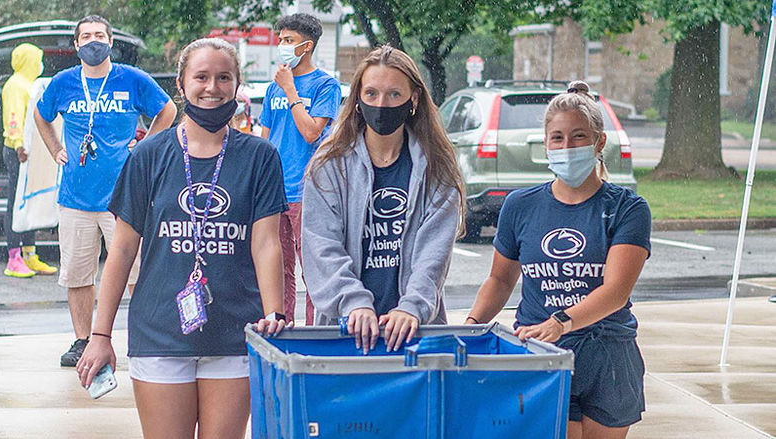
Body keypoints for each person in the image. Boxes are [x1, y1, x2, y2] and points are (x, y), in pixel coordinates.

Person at [76, 37, 289, 439]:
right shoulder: (148, 155)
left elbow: (266, 244)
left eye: (224, 77)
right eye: (202, 77)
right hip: (160, 333)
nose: (213, 87)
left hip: (234, 332)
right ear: (181, 83)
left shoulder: (261, 157)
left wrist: (274, 315)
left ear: (237, 85)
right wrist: (100, 335)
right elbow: (121, 250)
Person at [465, 80, 651, 439]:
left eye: (579, 137)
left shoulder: (627, 209)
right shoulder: (520, 206)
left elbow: (615, 292)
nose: (568, 146)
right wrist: (472, 325)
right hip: (542, 353)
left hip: (608, 355)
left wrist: (561, 321)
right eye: (558, 138)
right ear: (546, 143)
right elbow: (501, 280)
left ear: (599, 143)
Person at [34, 15, 177, 367]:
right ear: (77, 44)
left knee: (136, 273)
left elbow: (168, 110)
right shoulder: (64, 82)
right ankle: (83, 341)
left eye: (99, 35)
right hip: (76, 197)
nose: (93, 41)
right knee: (78, 274)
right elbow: (41, 115)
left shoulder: (131, 79)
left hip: (125, 198)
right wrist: (55, 149)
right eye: (86, 36)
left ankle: (144, 337)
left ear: (110, 42)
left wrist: (144, 147)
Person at [302, 45, 464, 354]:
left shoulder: (437, 168)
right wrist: (353, 304)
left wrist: (411, 308)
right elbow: (321, 246)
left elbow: (433, 256)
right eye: (372, 93)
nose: (381, 104)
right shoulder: (329, 165)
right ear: (358, 100)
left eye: (394, 95)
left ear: (413, 99)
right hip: (344, 333)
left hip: (415, 335)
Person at [260, 13, 341, 325]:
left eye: (288, 41)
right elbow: (264, 141)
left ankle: (314, 334)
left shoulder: (325, 85)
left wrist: (291, 89)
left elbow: (311, 132)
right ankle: (284, 329)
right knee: (278, 270)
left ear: (306, 46)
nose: (281, 46)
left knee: (313, 270)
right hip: (274, 192)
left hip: (308, 191)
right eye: (280, 40)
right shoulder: (272, 89)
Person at [1, 43, 58, 278]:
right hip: (17, 150)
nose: (40, 63)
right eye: (38, 59)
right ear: (28, 60)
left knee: (29, 201)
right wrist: (18, 145)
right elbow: (13, 118)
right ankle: (14, 258)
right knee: (16, 202)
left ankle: (30, 255)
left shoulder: (32, 84)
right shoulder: (15, 85)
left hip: (29, 150)